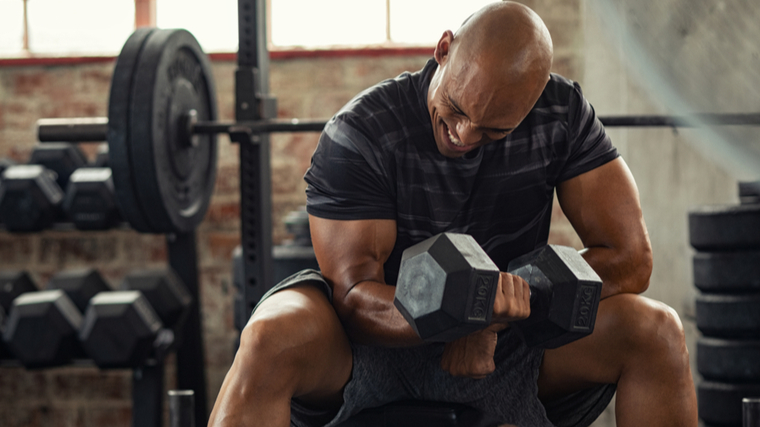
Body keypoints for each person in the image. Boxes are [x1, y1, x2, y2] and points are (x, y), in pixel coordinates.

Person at [208, 2, 698, 426]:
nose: (463, 135)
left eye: (492, 131)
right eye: (457, 109)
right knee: (270, 335)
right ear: (443, 49)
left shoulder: (561, 115)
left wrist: (497, 317)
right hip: (372, 350)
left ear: (532, 104)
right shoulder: (362, 131)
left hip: (510, 349)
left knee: (657, 331)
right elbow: (356, 298)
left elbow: (631, 259)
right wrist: (467, 318)